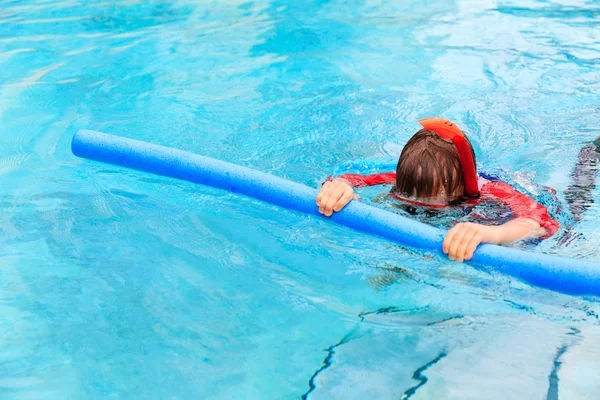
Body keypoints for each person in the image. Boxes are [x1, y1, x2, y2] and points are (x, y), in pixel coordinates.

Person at [316, 118, 599, 263]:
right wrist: (340, 187)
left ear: (465, 187)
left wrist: (492, 233)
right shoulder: (406, 177)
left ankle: (591, 155)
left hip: (546, 206)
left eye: (433, 199)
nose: (421, 204)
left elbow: (540, 222)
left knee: (575, 202)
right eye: (410, 195)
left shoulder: (494, 193)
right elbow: (352, 178)